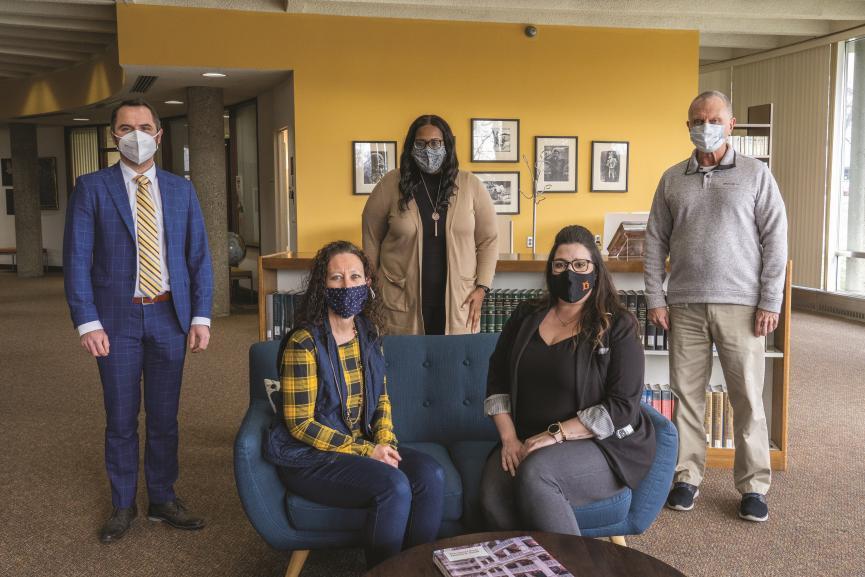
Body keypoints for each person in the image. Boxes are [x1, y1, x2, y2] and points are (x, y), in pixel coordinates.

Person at [63, 98, 213, 543]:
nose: (136, 133)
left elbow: (199, 258)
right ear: (113, 136)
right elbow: (76, 260)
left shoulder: (181, 190)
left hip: (170, 316)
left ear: (159, 135)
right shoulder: (91, 188)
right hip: (116, 320)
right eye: (126, 127)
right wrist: (87, 322)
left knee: (166, 417)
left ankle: (163, 498)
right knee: (122, 416)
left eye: (145, 126)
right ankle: (123, 503)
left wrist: (201, 315)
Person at [644, 90, 788, 523]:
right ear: (687, 125)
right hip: (684, 304)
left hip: (742, 306)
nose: (703, 126)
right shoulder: (672, 178)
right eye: (695, 120)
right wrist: (655, 296)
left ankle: (753, 486)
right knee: (685, 397)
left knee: (746, 398)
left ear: (731, 124)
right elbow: (654, 241)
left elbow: (776, 239)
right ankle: (687, 477)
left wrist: (770, 300)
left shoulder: (756, 175)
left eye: (712, 119)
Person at [264, 241, 445, 568]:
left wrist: (385, 441)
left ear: (367, 284)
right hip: (309, 459)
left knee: (430, 475)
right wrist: (367, 452)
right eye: (336, 278)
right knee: (394, 486)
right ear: (323, 285)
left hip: (360, 446)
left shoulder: (368, 332)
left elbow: (381, 399)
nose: (346, 285)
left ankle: (415, 570)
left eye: (354, 277)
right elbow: (300, 424)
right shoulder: (303, 343)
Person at [480, 225, 655, 535]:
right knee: (493, 497)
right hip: (525, 438)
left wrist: (556, 434)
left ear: (596, 270)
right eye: (560, 265)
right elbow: (497, 378)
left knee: (536, 473)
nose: (570, 273)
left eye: (580, 265)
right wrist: (509, 438)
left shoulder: (618, 325)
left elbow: (622, 406)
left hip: (600, 445)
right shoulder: (526, 315)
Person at [362, 114, 498, 335]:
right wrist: (371, 283)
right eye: (421, 143)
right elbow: (371, 236)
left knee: (451, 365)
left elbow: (488, 240)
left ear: (447, 144)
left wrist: (482, 287)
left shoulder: (470, 185)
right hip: (400, 301)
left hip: (459, 301)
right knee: (405, 364)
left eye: (436, 143)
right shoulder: (390, 184)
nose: (428, 149)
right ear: (410, 146)